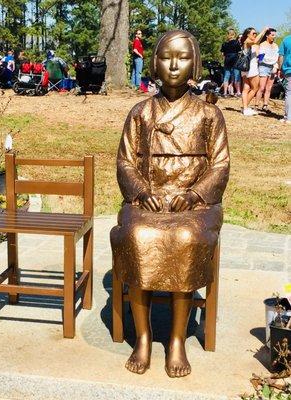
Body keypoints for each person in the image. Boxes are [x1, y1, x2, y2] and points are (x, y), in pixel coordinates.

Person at [110, 30, 230, 378]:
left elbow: (220, 165)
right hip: (146, 200)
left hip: (195, 204)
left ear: (195, 62)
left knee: (186, 240)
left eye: (183, 57)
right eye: (166, 56)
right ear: (154, 63)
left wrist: (194, 194)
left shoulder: (209, 115)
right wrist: (140, 190)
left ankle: (177, 339)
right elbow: (125, 162)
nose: (174, 65)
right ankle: (143, 337)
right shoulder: (140, 112)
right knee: (137, 237)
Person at [240, 26, 269, 116]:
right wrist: (263, 30)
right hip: (251, 68)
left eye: (256, 33)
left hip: (245, 69)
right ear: (248, 34)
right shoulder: (247, 41)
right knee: (255, 88)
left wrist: (260, 55)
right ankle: (245, 108)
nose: (255, 35)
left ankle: (245, 108)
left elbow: (257, 57)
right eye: (253, 33)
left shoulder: (248, 43)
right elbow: (256, 41)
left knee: (246, 88)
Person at [255, 29, 279, 111]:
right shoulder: (263, 45)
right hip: (264, 66)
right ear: (267, 35)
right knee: (261, 87)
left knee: (269, 88)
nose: (274, 37)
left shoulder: (276, 46)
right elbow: (260, 57)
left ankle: (265, 104)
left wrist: (276, 66)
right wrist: (260, 61)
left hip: (272, 67)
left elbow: (277, 57)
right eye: (272, 35)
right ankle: (256, 104)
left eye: (274, 35)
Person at [221, 29, 242, 97]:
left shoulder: (224, 44)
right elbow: (239, 52)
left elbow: (222, 54)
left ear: (228, 35)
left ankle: (225, 93)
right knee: (237, 77)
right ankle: (238, 92)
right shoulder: (236, 43)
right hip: (235, 61)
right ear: (234, 34)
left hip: (227, 61)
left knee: (226, 77)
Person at [278, 34, 291, 124]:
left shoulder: (286, 40)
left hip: (288, 70)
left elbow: (281, 56)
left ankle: (288, 118)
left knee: (289, 93)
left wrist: (280, 69)